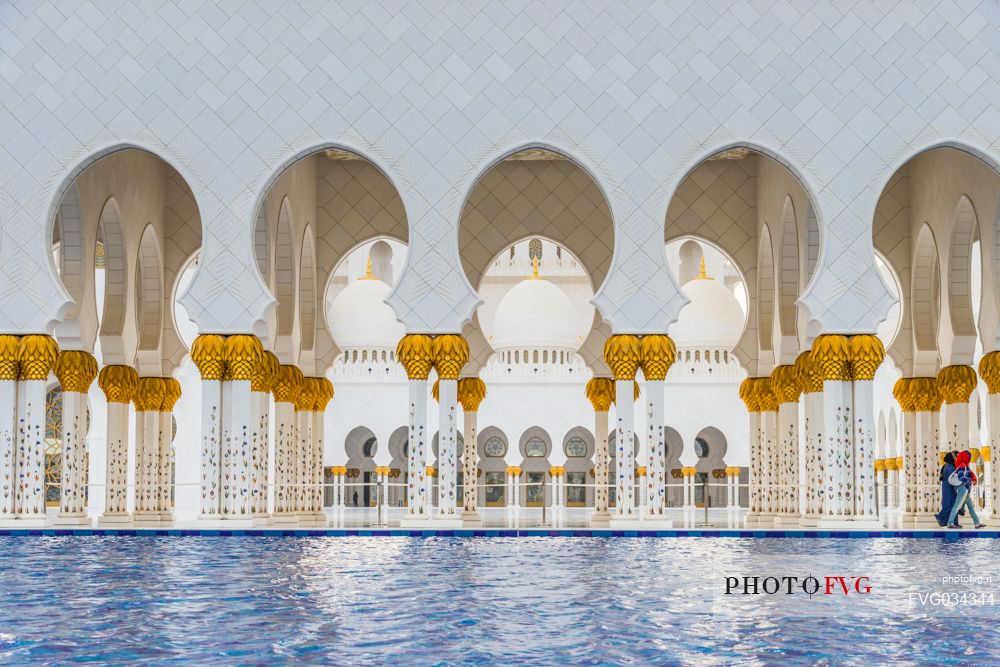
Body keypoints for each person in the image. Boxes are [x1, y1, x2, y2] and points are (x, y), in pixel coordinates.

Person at [946, 450, 986, 529]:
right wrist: (970, 481)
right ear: (965, 457)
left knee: (971, 506)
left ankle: (977, 523)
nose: (970, 458)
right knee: (957, 506)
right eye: (969, 457)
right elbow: (961, 477)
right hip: (963, 489)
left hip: (965, 490)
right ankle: (950, 523)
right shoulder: (962, 466)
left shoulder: (964, 466)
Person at [936, 451, 959, 527]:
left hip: (947, 487)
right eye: (956, 456)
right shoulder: (950, 467)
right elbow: (952, 479)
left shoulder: (947, 466)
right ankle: (940, 517)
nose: (957, 458)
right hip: (949, 488)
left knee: (953, 505)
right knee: (950, 505)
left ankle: (953, 522)